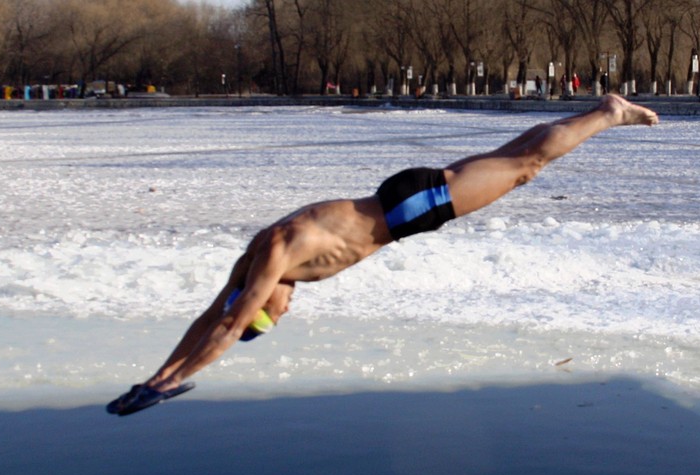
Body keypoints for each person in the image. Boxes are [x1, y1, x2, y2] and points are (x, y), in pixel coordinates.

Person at [106, 94, 659, 416]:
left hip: (407, 211)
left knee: (525, 166)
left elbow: (228, 326)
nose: (286, 310)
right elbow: (212, 316)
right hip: (399, 198)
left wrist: (169, 385)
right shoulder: (257, 260)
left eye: (272, 313)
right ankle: (598, 111)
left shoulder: (273, 260)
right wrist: (158, 376)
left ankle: (607, 114)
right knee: (512, 158)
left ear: (261, 300)